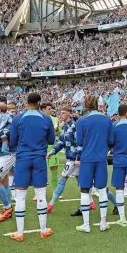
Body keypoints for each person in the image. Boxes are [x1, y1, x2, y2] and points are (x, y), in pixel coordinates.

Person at [9, 93, 55, 242]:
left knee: (20, 197)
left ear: (26, 102)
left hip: (23, 159)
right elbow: (51, 140)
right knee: (41, 195)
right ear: (39, 102)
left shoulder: (17, 118)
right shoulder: (46, 118)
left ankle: (19, 233)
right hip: (39, 159)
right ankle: (43, 230)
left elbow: (12, 142)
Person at [75, 95, 113, 233]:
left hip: (87, 159)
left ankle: (86, 225)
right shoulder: (106, 119)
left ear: (86, 105)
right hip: (101, 158)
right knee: (102, 190)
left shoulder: (81, 120)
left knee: (85, 190)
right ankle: (103, 223)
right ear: (97, 104)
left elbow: (79, 141)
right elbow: (111, 140)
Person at [46, 106, 84, 213]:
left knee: (63, 178)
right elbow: (61, 142)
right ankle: (90, 202)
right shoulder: (64, 126)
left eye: (63, 113)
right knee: (80, 181)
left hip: (73, 159)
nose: (61, 115)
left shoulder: (74, 126)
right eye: (60, 113)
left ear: (69, 113)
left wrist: (78, 158)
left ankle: (51, 204)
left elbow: (79, 143)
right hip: (71, 158)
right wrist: (52, 152)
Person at [41, 102, 61, 196]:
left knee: (54, 172)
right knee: (40, 172)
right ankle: (38, 193)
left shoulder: (55, 119)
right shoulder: (38, 119)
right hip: (41, 149)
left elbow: (59, 134)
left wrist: (57, 130)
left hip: (52, 150)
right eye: (49, 109)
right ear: (43, 109)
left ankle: (55, 192)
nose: (51, 110)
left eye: (51, 109)